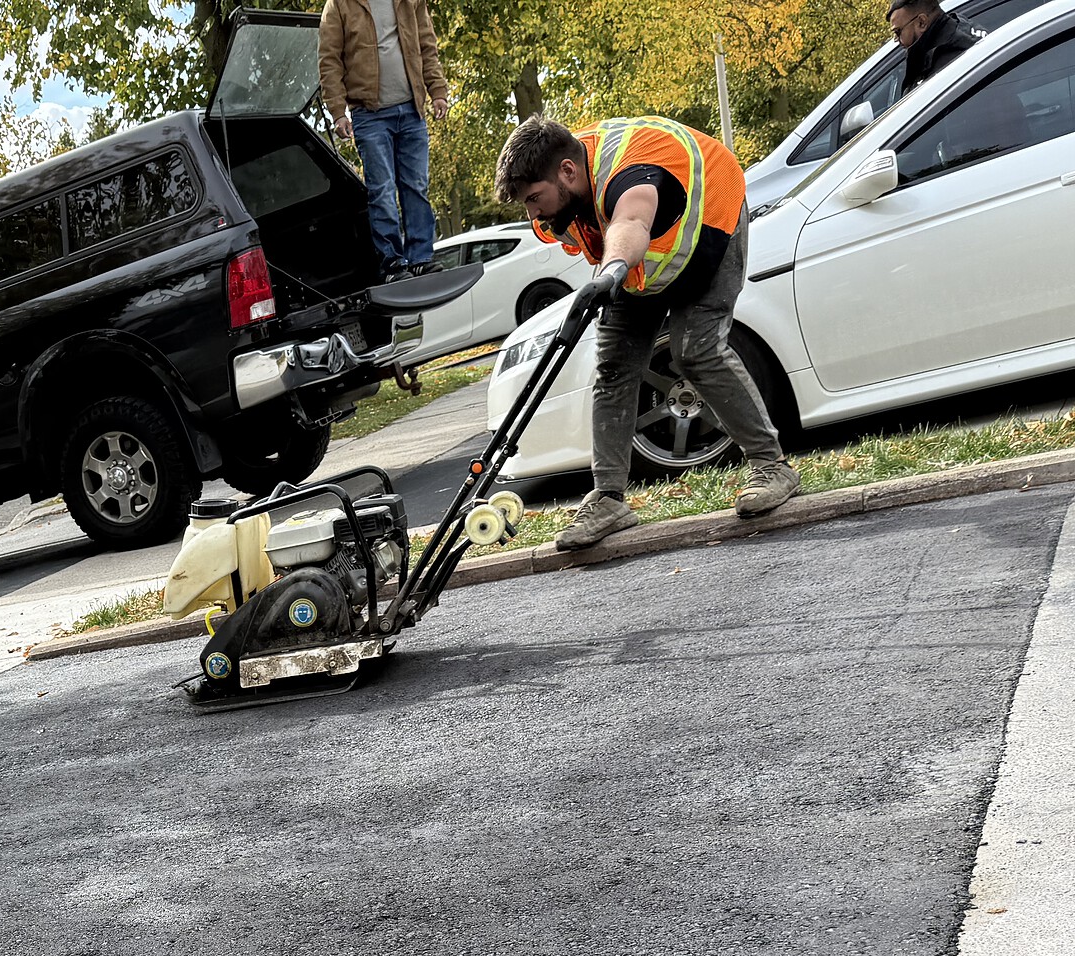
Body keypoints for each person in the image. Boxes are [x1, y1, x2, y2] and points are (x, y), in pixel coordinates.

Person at [494, 116, 803, 551]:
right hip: (639, 261)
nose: (534, 216)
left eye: (533, 199)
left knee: (696, 351)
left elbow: (632, 222)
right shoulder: (566, 186)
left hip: (711, 222)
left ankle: (772, 467)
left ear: (566, 171)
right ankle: (608, 499)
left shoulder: (630, 171)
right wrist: (614, 274)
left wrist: (612, 272)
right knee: (614, 367)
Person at [320, 0, 451, 276]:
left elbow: (427, 45)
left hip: (412, 110)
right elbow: (329, 59)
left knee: (416, 186)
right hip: (369, 115)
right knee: (382, 190)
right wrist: (338, 112)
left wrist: (437, 90)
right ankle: (392, 262)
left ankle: (421, 257)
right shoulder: (339, 4)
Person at [891, 0, 980, 89]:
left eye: (898, 32)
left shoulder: (947, 64)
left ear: (922, 22)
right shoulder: (961, 27)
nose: (896, 39)